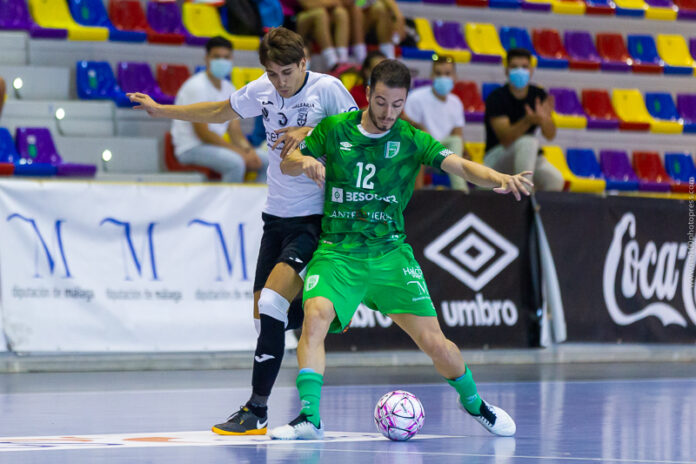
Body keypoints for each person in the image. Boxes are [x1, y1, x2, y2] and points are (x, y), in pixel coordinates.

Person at [270, 59, 529, 440]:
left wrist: (501, 178)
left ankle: (475, 403)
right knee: (315, 316)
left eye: (397, 104)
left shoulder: (410, 139)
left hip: (391, 254)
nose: (388, 113)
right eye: (380, 102)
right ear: (367, 95)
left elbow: (460, 166)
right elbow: (288, 160)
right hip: (339, 252)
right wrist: (305, 160)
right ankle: (310, 417)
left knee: (437, 345)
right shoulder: (335, 129)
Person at [127, 27, 358, 436]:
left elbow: (360, 135)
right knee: (264, 319)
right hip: (276, 218)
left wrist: (310, 134)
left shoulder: (329, 90)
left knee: (271, 304)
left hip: (316, 218)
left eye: (287, 72)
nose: (280, 82)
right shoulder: (264, 90)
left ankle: (259, 409)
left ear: (304, 63)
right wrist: (163, 110)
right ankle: (309, 320)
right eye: (272, 74)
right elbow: (220, 111)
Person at [171, 36, 268, 183]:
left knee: (266, 161)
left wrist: (248, 151)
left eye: (226, 57)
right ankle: (227, 205)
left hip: (214, 147)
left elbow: (235, 131)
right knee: (236, 163)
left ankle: (258, 205)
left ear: (231, 59)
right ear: (207, 58)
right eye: (217, 57)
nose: (221, 61)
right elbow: (203, 133)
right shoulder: (196, 86)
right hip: (191, 148)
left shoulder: (229, 88)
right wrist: (237, 152)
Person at [483, 48, 563, 192]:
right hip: (497, 158)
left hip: (527, 156)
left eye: (524, 67)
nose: (520, 71)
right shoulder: (496, 97)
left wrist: (544, 120)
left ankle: (537, 212)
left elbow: (550, 135)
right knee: (528, 141)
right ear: (506, 70)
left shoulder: (538, 94)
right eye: (515, 67)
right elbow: (506, 139)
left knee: (555, 179)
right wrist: (528, 121)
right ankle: (524, 196)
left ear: (531, 70)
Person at [402, 54, 469, 191]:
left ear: (454, 77)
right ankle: (417, 196)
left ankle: (461, 192)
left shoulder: (456, 102)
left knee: (456, 142)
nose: (443, 77)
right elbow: (406, 129)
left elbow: (458, 136)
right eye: (438, 73)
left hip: (442, 152)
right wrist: (420, 128)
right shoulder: (416, 98)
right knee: (418, 144)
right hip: (422, 148)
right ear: (432, 75)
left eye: (447, 73)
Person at [281, 0, 349, 70]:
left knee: (340, 12)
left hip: (313, 14)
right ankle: (332, 63)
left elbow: (343, 3)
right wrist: (330, 3)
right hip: (290, 19)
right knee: (320, 14)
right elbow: (307, 4)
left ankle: (343, 59)